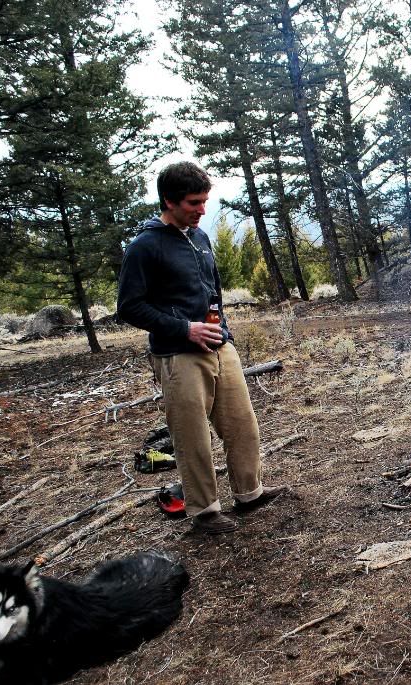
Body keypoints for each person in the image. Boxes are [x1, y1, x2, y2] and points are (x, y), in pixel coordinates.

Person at [117, 161, 280, 534]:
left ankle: (249, 493)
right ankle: (205, 512)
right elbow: (128, 307)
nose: (202, 210)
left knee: (242, 425)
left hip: (219, 347)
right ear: (168, 201)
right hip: (178, 354)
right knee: (193, 437)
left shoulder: (199, 237)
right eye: (194, 202)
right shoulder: (146, 246)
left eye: (205, 201)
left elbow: (213, 295)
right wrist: (184, 329)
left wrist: (226, 335)